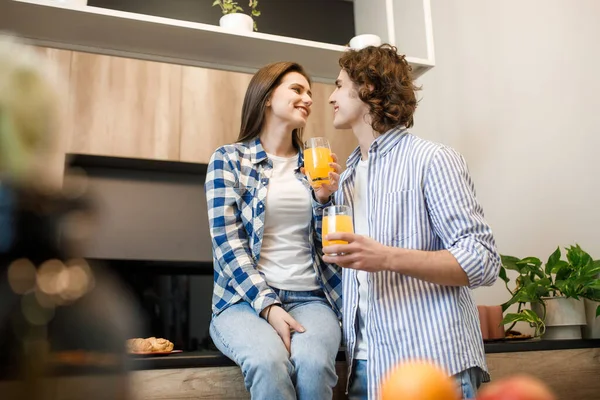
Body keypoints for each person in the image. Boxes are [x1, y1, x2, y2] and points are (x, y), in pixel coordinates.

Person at [322, 44, 501, 400]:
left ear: (368, 88)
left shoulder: (433, 160)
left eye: (339, 86)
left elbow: (483, 260)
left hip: (433, 365)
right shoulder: (347, 177)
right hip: (364, 367)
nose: (330, 97)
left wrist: (386, 257)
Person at [204, 61, 344, 400]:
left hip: (311, 297)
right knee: (268, 362)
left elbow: (332, 250)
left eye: (310, 92)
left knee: (313, 364)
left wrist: (325, 200)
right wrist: (269, 306)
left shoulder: (313, 164)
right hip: (243, 302)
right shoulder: (229, 160)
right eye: (297, 89)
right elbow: (228, 246)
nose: (308, 98)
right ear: (266, 97)